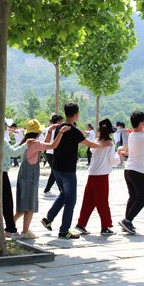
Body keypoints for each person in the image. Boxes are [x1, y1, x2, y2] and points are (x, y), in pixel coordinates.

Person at [40, 102, 101, 239]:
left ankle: (48, 218)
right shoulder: (74, 131)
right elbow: (89, 144)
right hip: (68, 170)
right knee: (71, 200)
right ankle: (64, 230)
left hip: (56, 167)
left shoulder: (59, 128)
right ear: (77, 114)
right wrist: (104, 145)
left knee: (64, 194)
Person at [14, 119, 69, 239]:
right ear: (37, 132)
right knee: (30, 205)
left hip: (23, 175)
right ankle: (25, 231)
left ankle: (10, 226)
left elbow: (44, 145)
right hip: (30, 177)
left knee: (23, 205)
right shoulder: (35, 144)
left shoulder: (27, 142)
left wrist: (49, 132)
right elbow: (52, 145)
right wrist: (60, 133)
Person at [74, 119, 117, 235]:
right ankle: (105, 226)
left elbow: (93, 150)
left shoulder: (95, 142)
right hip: (102, 175)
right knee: (102, 201)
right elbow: (113, 160)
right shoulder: (110, 144)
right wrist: (120, 155)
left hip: (92, 174)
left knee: (89, 200)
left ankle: (81, 224)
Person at [42, 114, 64, 196]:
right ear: (58, 121)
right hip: (52, 153)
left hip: (51, 153)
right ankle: (49, 190)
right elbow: (48, 141)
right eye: (61, 121)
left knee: (55, 172)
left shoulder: (51, 128)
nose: (62, 122)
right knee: (55, 172)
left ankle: (60, 189)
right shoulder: (54, 129)